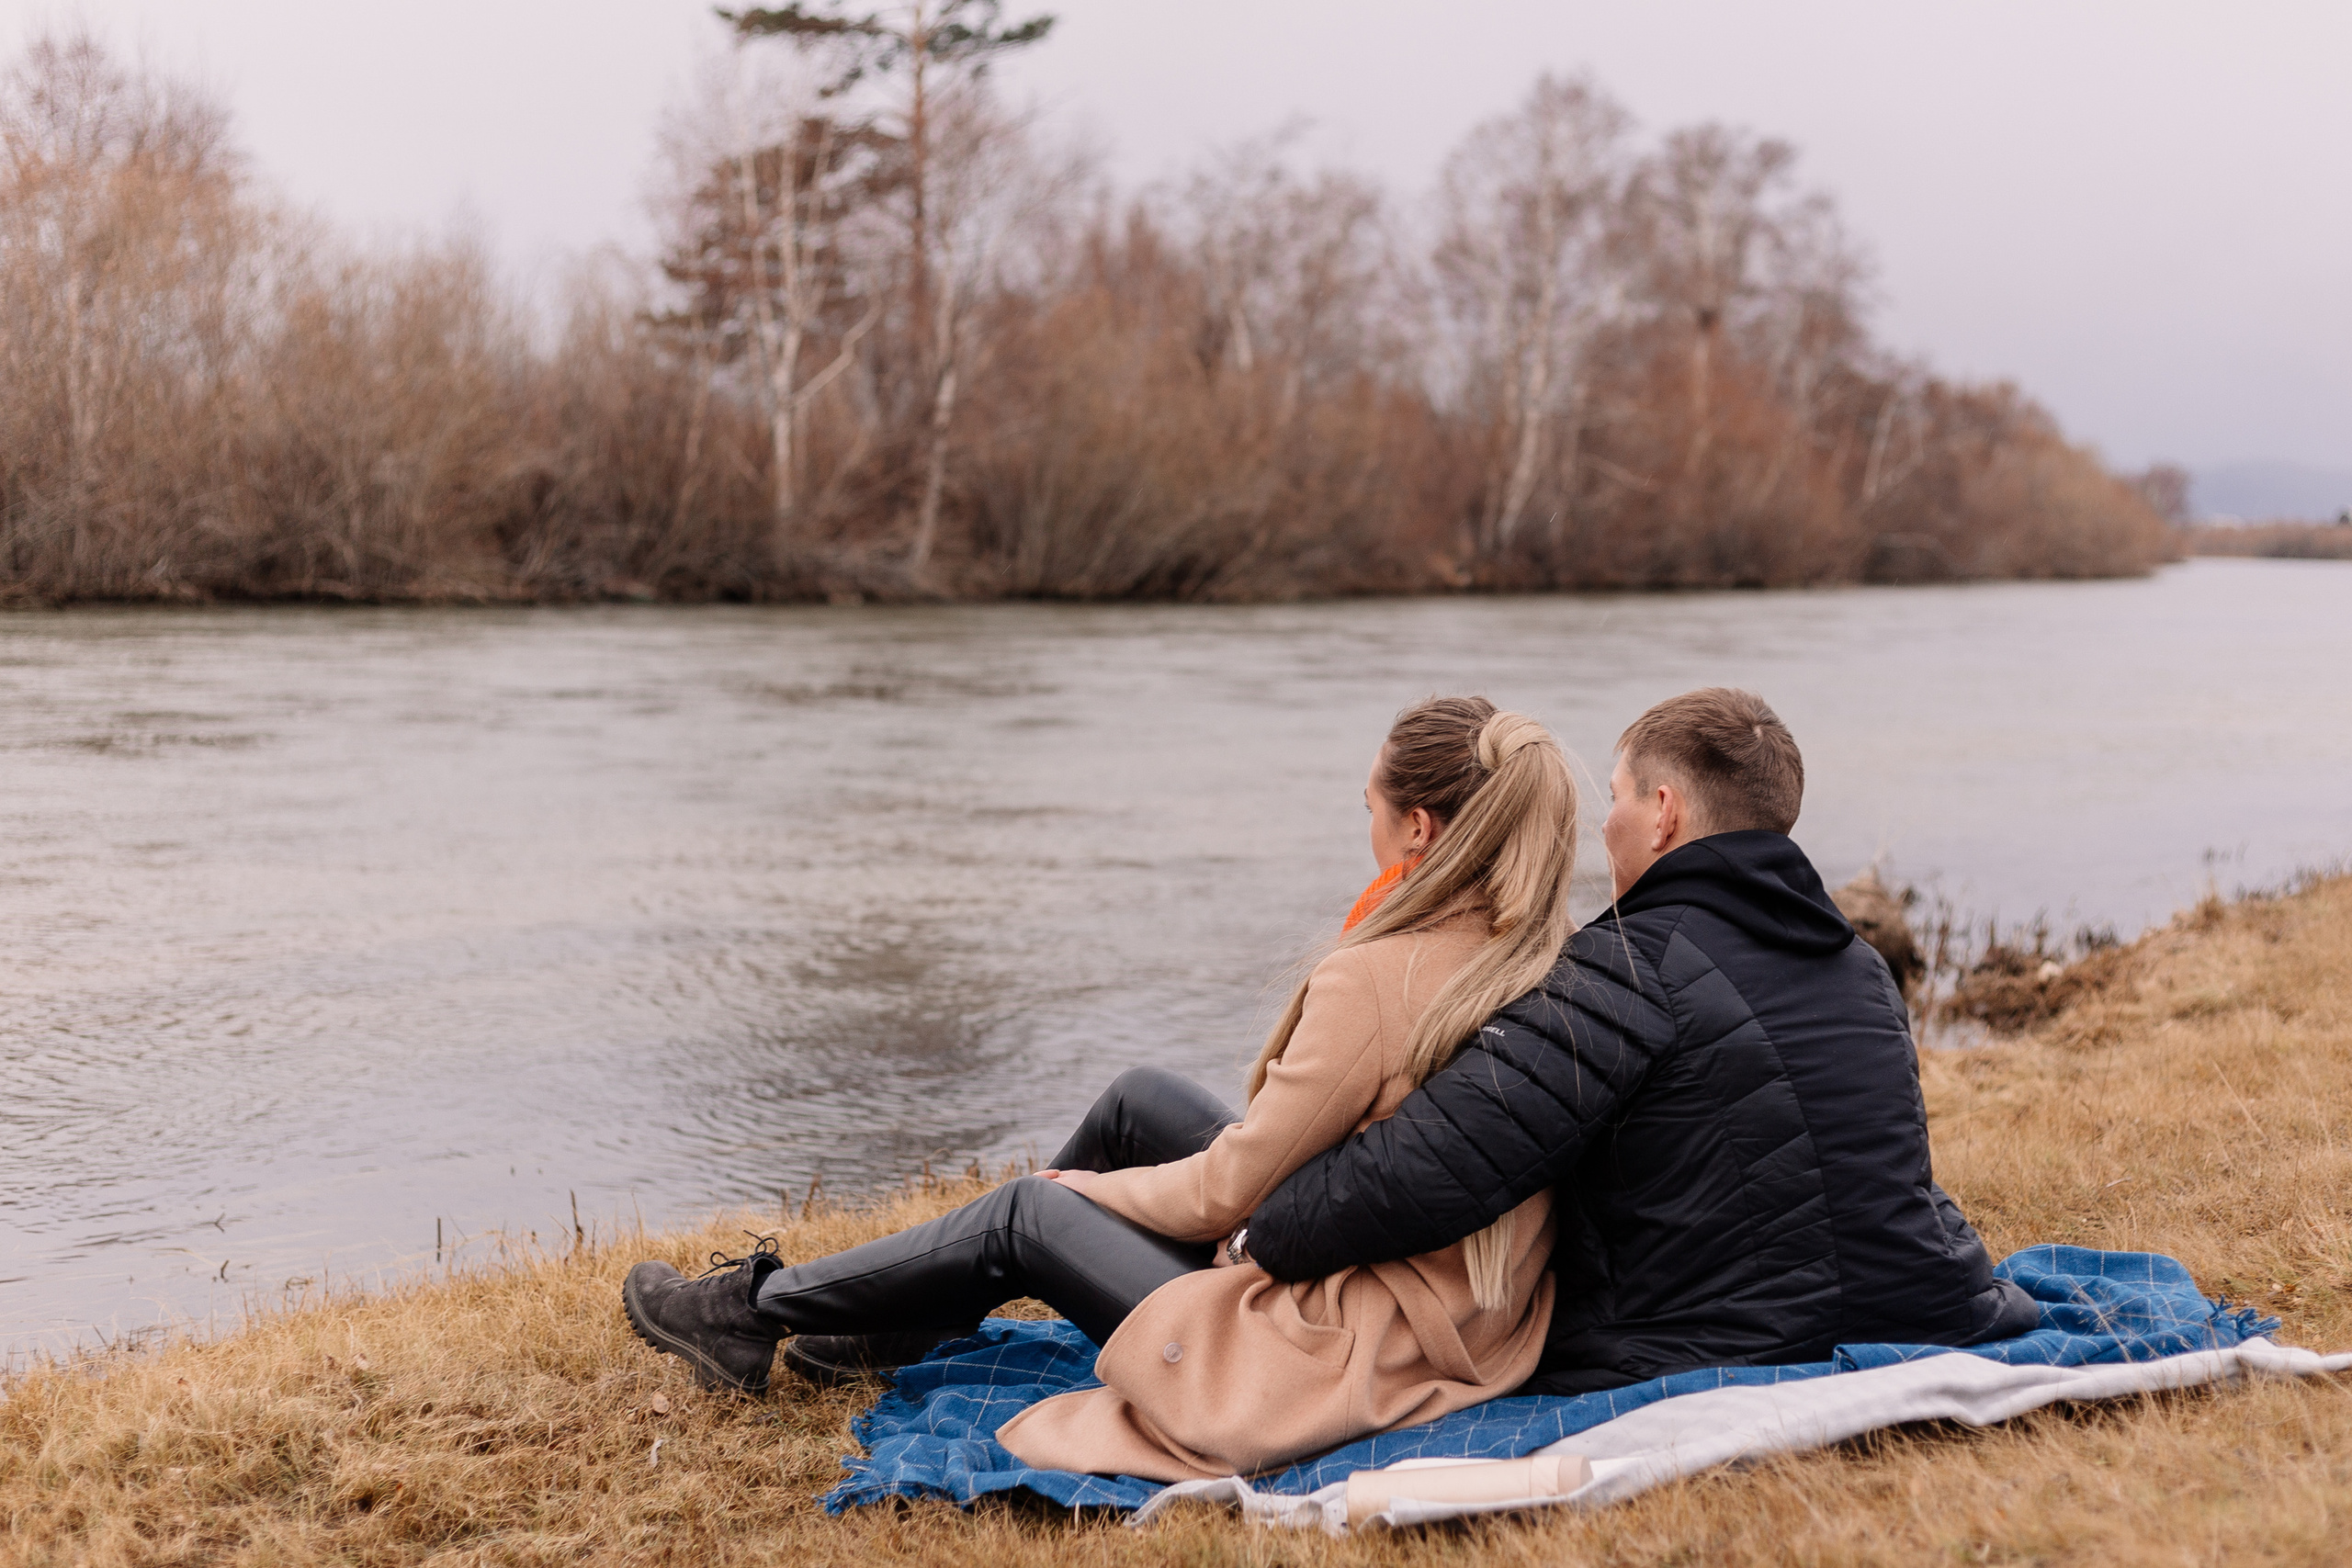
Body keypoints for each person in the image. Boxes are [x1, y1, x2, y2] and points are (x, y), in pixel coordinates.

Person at [622, 697, 1578, 1479]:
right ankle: (892, 1325)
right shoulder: (1538, 951)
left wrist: (1088, 1197)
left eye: (1367, 805)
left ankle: (747, 1313)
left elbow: (1226, 1192)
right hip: (1459, 1321)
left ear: (1417, 826)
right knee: (1140, 1100)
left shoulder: (1380, 981)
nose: (1361, 821)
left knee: (1026, 1216)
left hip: (1336, 1350)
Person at [1241, 687, 2040, 1393]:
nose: (1603, 821)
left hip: (1704, 1345)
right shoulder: (1859, 964)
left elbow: (1429, 1168)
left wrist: (1260, 1231)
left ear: (1664, 813)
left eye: (1617, 795)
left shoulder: (1624, 965)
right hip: (1935, 1304)